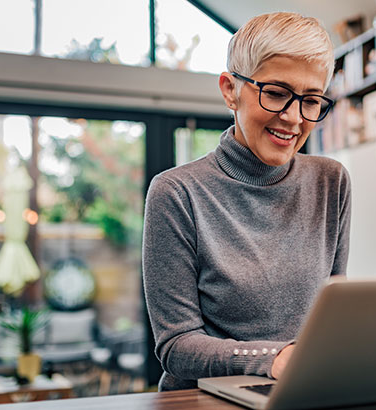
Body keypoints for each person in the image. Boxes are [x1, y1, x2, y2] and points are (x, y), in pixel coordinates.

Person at [142, 11, 351, 391]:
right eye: (275, 93)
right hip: (204, 399)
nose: (293, 118)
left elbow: (333, 315)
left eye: (311, 100)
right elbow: (176, 347)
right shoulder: (176, 193)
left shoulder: (330, 181)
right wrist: (273, 359)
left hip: (301, 392)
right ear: (229, 90)